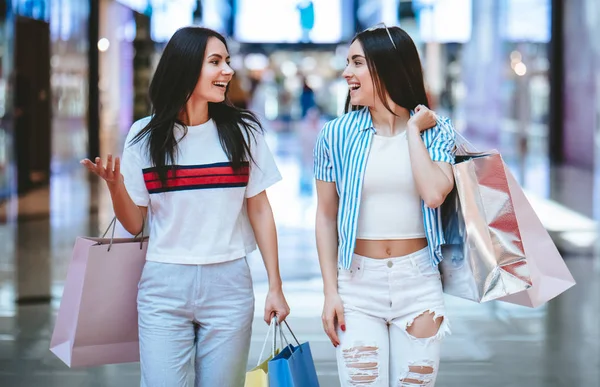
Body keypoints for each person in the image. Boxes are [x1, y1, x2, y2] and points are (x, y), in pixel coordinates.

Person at [81, 27, 290, 387]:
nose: (227, 71)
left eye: (226, 62)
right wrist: (116, 187)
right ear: (185, 67)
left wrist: (275, 285)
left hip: (229, 285)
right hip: (164, 285)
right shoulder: (145, 136)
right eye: (215, 62)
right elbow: (134, 224)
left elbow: (259, 209)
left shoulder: (244, 133)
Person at [313, 24, 455, 387]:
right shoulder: (335, 134)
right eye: (347, 63)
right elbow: (326, 217)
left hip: (418, 284)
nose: (347, 73)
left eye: (357, 63)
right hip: (357, 286)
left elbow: (434, 193)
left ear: (386, 66)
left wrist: (412, 131)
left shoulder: (436, 131)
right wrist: (331, 292)